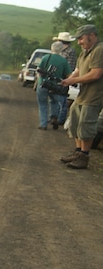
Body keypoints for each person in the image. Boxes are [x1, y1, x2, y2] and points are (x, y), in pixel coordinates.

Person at [59, 25, 103, 169]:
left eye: (81, 38)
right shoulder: (85, 52)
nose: (79, 42)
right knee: (75, 121)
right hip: (83, 94)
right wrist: (66, 80)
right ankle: (78, 152)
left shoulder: (99, 50)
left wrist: (73, 81)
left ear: (91, 35)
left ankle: (84, 156)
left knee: (86, 124)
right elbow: (78, 70)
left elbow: (95, 74)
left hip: (94, 95)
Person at [35, 41, 71, 130]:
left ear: (52, 48)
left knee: (43, 104)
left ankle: (43, 124)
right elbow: (68, 75)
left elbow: (39, 70)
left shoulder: (45, 57)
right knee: (54, 102)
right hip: (56, 85)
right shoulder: (63, 61)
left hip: (43, 84)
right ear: (62, 49)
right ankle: (54, 117)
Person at [54, 31, 78, 126]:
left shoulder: (70, 52)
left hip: (64, 78)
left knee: (62, 99)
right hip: (59, 77)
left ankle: (60, 119)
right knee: (57, 99)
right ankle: (57, 117)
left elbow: (70, 68)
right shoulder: (62, 51)